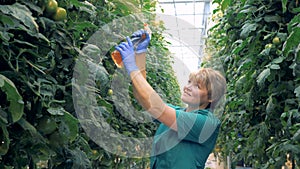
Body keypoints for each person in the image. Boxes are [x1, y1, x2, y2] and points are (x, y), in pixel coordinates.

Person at [115, 29, 226, 169]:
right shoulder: (175, 112)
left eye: (197, 86)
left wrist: (132, 67)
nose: (188, 87)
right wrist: (140, 54)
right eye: (189, 82)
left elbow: (156, 106)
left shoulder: (207, 123)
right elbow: (143, 97)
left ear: (211, 97)